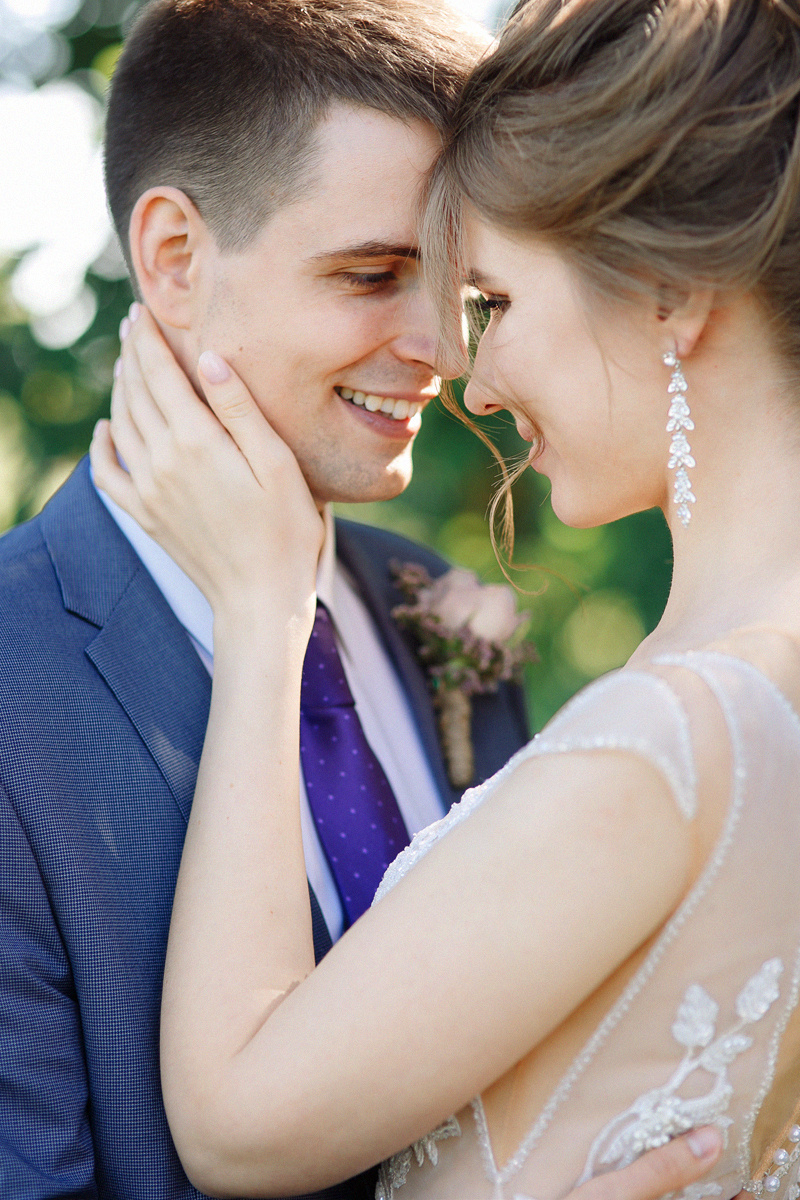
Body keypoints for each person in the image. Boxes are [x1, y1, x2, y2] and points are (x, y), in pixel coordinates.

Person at [90, 0, 800, 1198]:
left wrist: (267, 616)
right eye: (375, 275)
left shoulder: (663, 744)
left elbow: (233, 1127)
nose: (463, 366)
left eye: (493, 303)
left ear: (671, 292)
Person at [0, 0, 527, 1196]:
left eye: (457, 283)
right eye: (374, 273)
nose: (443, 347)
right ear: (176, 257)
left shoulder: (432, 604)